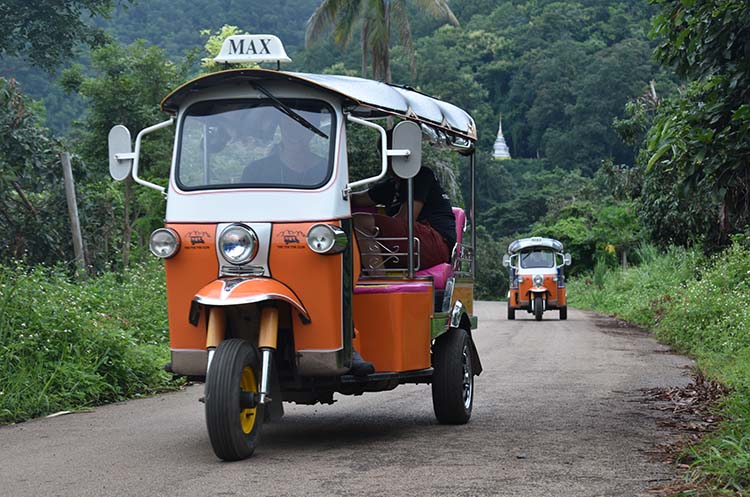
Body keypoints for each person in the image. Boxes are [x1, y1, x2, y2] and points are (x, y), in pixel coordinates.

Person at [351, 165, 456, 273]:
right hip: (411, 243)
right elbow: (358, 199)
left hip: (436, 244)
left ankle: (379, 280)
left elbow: (405, 219)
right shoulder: (391, 185)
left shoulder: (420, 175)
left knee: (359, 221)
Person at [240, 108, 329, 187]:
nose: (295, 130)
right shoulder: (255, 172)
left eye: (303, 124)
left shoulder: (329, 171)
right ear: (281, 125)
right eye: (289, 123)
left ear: (314, 130)